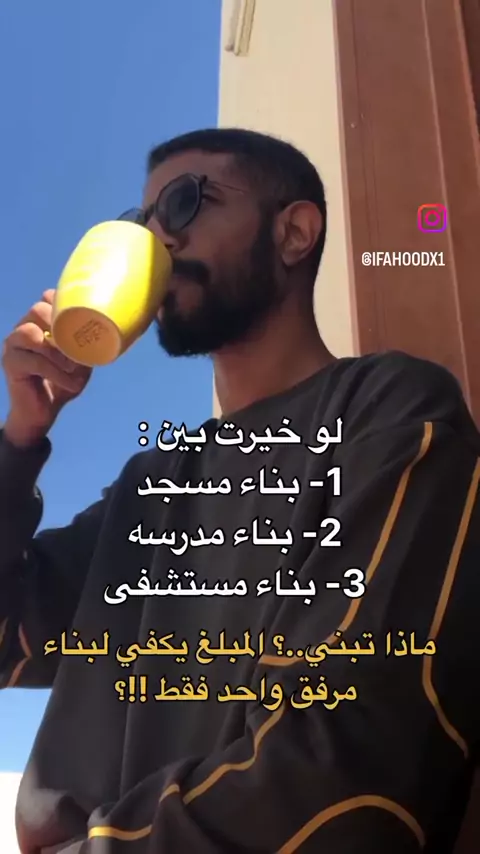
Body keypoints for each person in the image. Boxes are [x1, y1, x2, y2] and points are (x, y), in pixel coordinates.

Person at [1, 128, 479, 854]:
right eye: (141, 223)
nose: (158, 241)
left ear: (293, 233)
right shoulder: (149, 489)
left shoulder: (389, 412)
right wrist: (18, 443)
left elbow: (345, 774)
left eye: (184, 202)